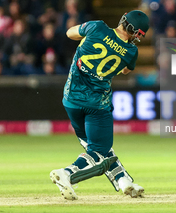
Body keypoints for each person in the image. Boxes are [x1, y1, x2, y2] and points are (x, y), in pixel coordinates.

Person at [50, 10, 150, 200]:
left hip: (71, 99)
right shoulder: (131, 52)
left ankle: (124, 181)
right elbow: (126, 70)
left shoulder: (97, 26)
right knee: (99, 151)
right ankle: (67, 173)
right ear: (137, 34)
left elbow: (70, 33)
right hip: (97, 105)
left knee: (97, 145)